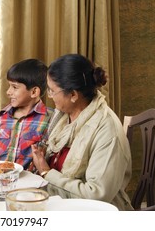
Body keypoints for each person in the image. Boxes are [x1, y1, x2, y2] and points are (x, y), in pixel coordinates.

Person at [31, 54, 133, 210]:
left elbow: (97, 196)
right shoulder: (63, 116)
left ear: (73, 95)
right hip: (59, 201)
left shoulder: (107, 130)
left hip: (94, 214)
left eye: (52, 91)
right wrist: (45, 158)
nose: (49, 96)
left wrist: (46, 171)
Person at [0, 59, 53, 169]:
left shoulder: (50, 119)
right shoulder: (1, 117)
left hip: (26, 181)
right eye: (9, 86)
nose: (8, 92)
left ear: (34, 92)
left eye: (15, 87)